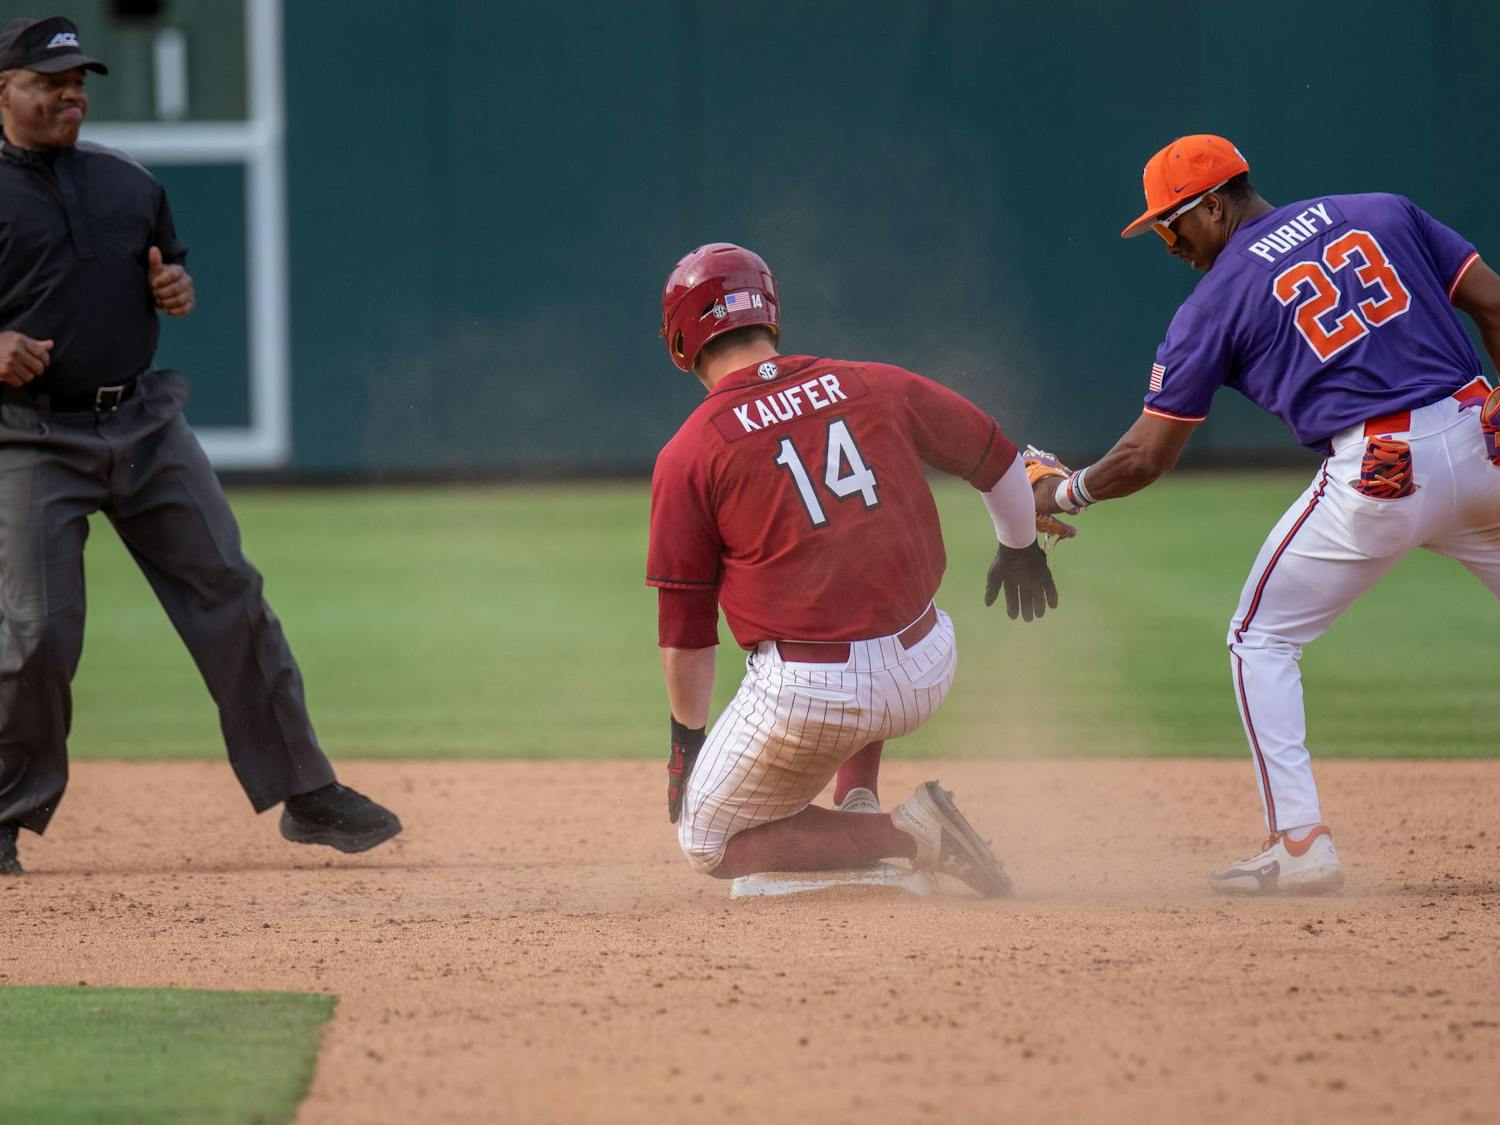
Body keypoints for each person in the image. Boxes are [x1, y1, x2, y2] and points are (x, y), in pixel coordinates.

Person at [1033, 134, 1500, 895]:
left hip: (1383, 474)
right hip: (1484, 446)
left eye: (1171, 226)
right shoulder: (1383, 210)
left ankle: (1300, 843)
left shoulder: (1216, 301)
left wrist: (1060, 490)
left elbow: (1146, 457)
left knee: (1260, 635)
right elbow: (1494, 304)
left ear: (1214, 206)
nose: (1170, 245)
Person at [0, 17, 401, 877]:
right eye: (49, 80)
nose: (71, 93)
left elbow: (165, 272)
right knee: (37, 632)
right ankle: (5, 812)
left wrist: (173, 287)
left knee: (229, 590)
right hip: (30, 434)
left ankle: (306, 790)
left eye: (79, 79)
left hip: (143, 421)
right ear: (3, 90)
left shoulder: (127, 183)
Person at [647, 242, 1061, 897]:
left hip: (813, 694)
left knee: (710, 842)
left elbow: (687, 636)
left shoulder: (692, 448)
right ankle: (858, 799)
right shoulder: (872, 381)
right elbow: (997, 456)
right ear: (771, 313)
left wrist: (684, 744)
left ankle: (908, 831)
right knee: (855, 575)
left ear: (679, 340)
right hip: (928, 660)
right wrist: (1019, 547)